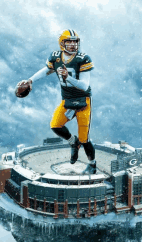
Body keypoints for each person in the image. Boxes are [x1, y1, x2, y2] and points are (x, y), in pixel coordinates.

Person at [19, 29, 96, 174]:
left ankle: (92, 164)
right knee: (55, 125)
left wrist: (69, 78)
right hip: (67, 99)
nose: (73, 45)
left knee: (85, 139)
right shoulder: (55, 57)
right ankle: (73, 142)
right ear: (62, 43)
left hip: (82, 101)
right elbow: (47, 69)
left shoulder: (83, 59)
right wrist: (30, 80)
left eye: (75, 41)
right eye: (69, 41)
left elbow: (85, 85)